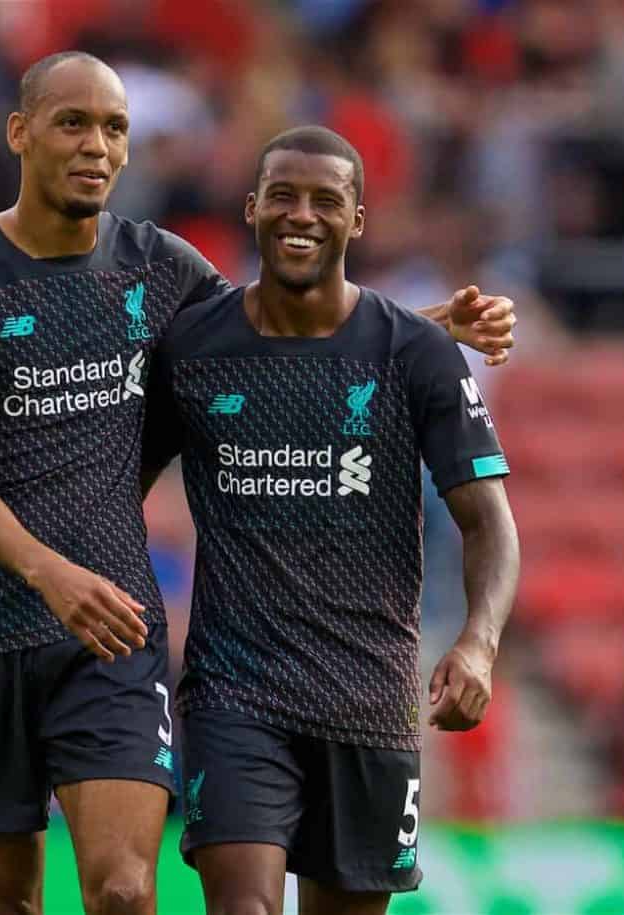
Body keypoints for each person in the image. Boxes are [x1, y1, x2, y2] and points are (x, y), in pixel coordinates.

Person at [0, 51, 516, 915]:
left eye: (114, 128)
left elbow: (283, 333)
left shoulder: (163, 268)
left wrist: (423, 334)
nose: (96, 145)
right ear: (19, 133)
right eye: (72, 123)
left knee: (120, 888)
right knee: (0, 898)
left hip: (110, 627)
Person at [136, 126, 521, 915]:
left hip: (369, 698)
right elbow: (112, 477)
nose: (299, 214)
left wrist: (477, 645)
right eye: (281, 195)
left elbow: (489, 522)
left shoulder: (417, 354)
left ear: (357, 220)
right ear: (250, 209)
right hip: (232, 693)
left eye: (324, 200)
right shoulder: (194, 349)